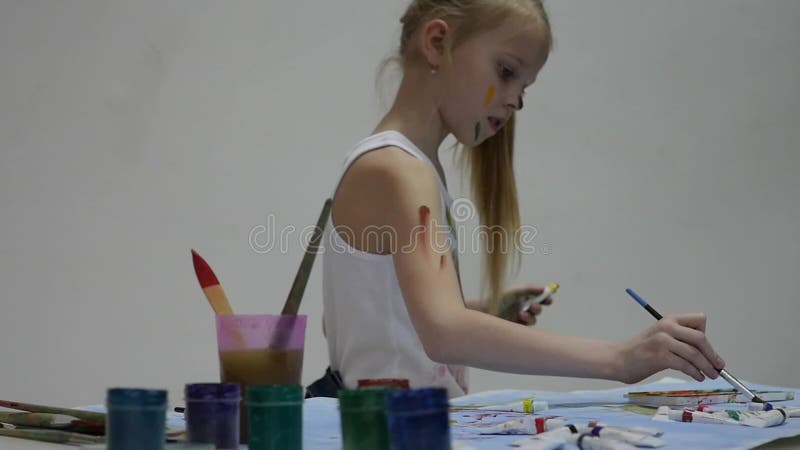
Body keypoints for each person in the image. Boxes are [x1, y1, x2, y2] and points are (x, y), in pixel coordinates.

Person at [308, 0, 725, 399]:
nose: (515, 101)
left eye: (524, 87)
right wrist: (618, 359)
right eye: (506, 71)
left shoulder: (400, 165)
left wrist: (478, 313)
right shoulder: (398, 169)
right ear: (437, 43)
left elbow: (352, 320)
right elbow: (443, 332)